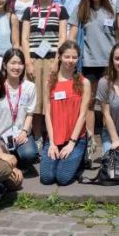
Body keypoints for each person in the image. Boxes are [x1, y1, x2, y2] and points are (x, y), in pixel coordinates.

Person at [68, 0, 116, 160]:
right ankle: (89, 138)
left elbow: (117, 36)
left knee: (108, 103)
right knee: (88, 103)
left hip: (110, 64)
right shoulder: (81, 10)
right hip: (89, 63)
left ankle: (107, 136)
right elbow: (72, 36)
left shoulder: (111, 9)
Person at [22, 0, 69, 140]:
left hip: (52, 59)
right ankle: (36, 136)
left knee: (52, 96)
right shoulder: (29, 11)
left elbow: (63, 37)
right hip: (34, 60)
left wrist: (57, 61)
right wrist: (27, 61)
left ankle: (52, 134)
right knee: (35, 100)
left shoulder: (60, 10)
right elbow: (25, 38)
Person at [40, 41, 91, 186]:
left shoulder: (84, 82)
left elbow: (82, 115)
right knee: (47, 178)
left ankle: (79, 157)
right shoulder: (50, 82)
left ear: (78, 59)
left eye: (74, 57)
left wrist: (71, 143)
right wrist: (51, 142)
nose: (70, 61)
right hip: (55, 138)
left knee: (62, 178)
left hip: (75, 139)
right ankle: (62, 158)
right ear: (60, 57)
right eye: (67, 56)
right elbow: (47, 114)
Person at [0, 49, 38, 169]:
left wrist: (24, 132)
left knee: (30, 154)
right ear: (5, 65)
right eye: (13, 63)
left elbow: (30, 113)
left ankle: (19, 161)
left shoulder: (29, 87)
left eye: (20, 63)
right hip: (1, 135)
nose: (17, 67)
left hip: (21, 133)